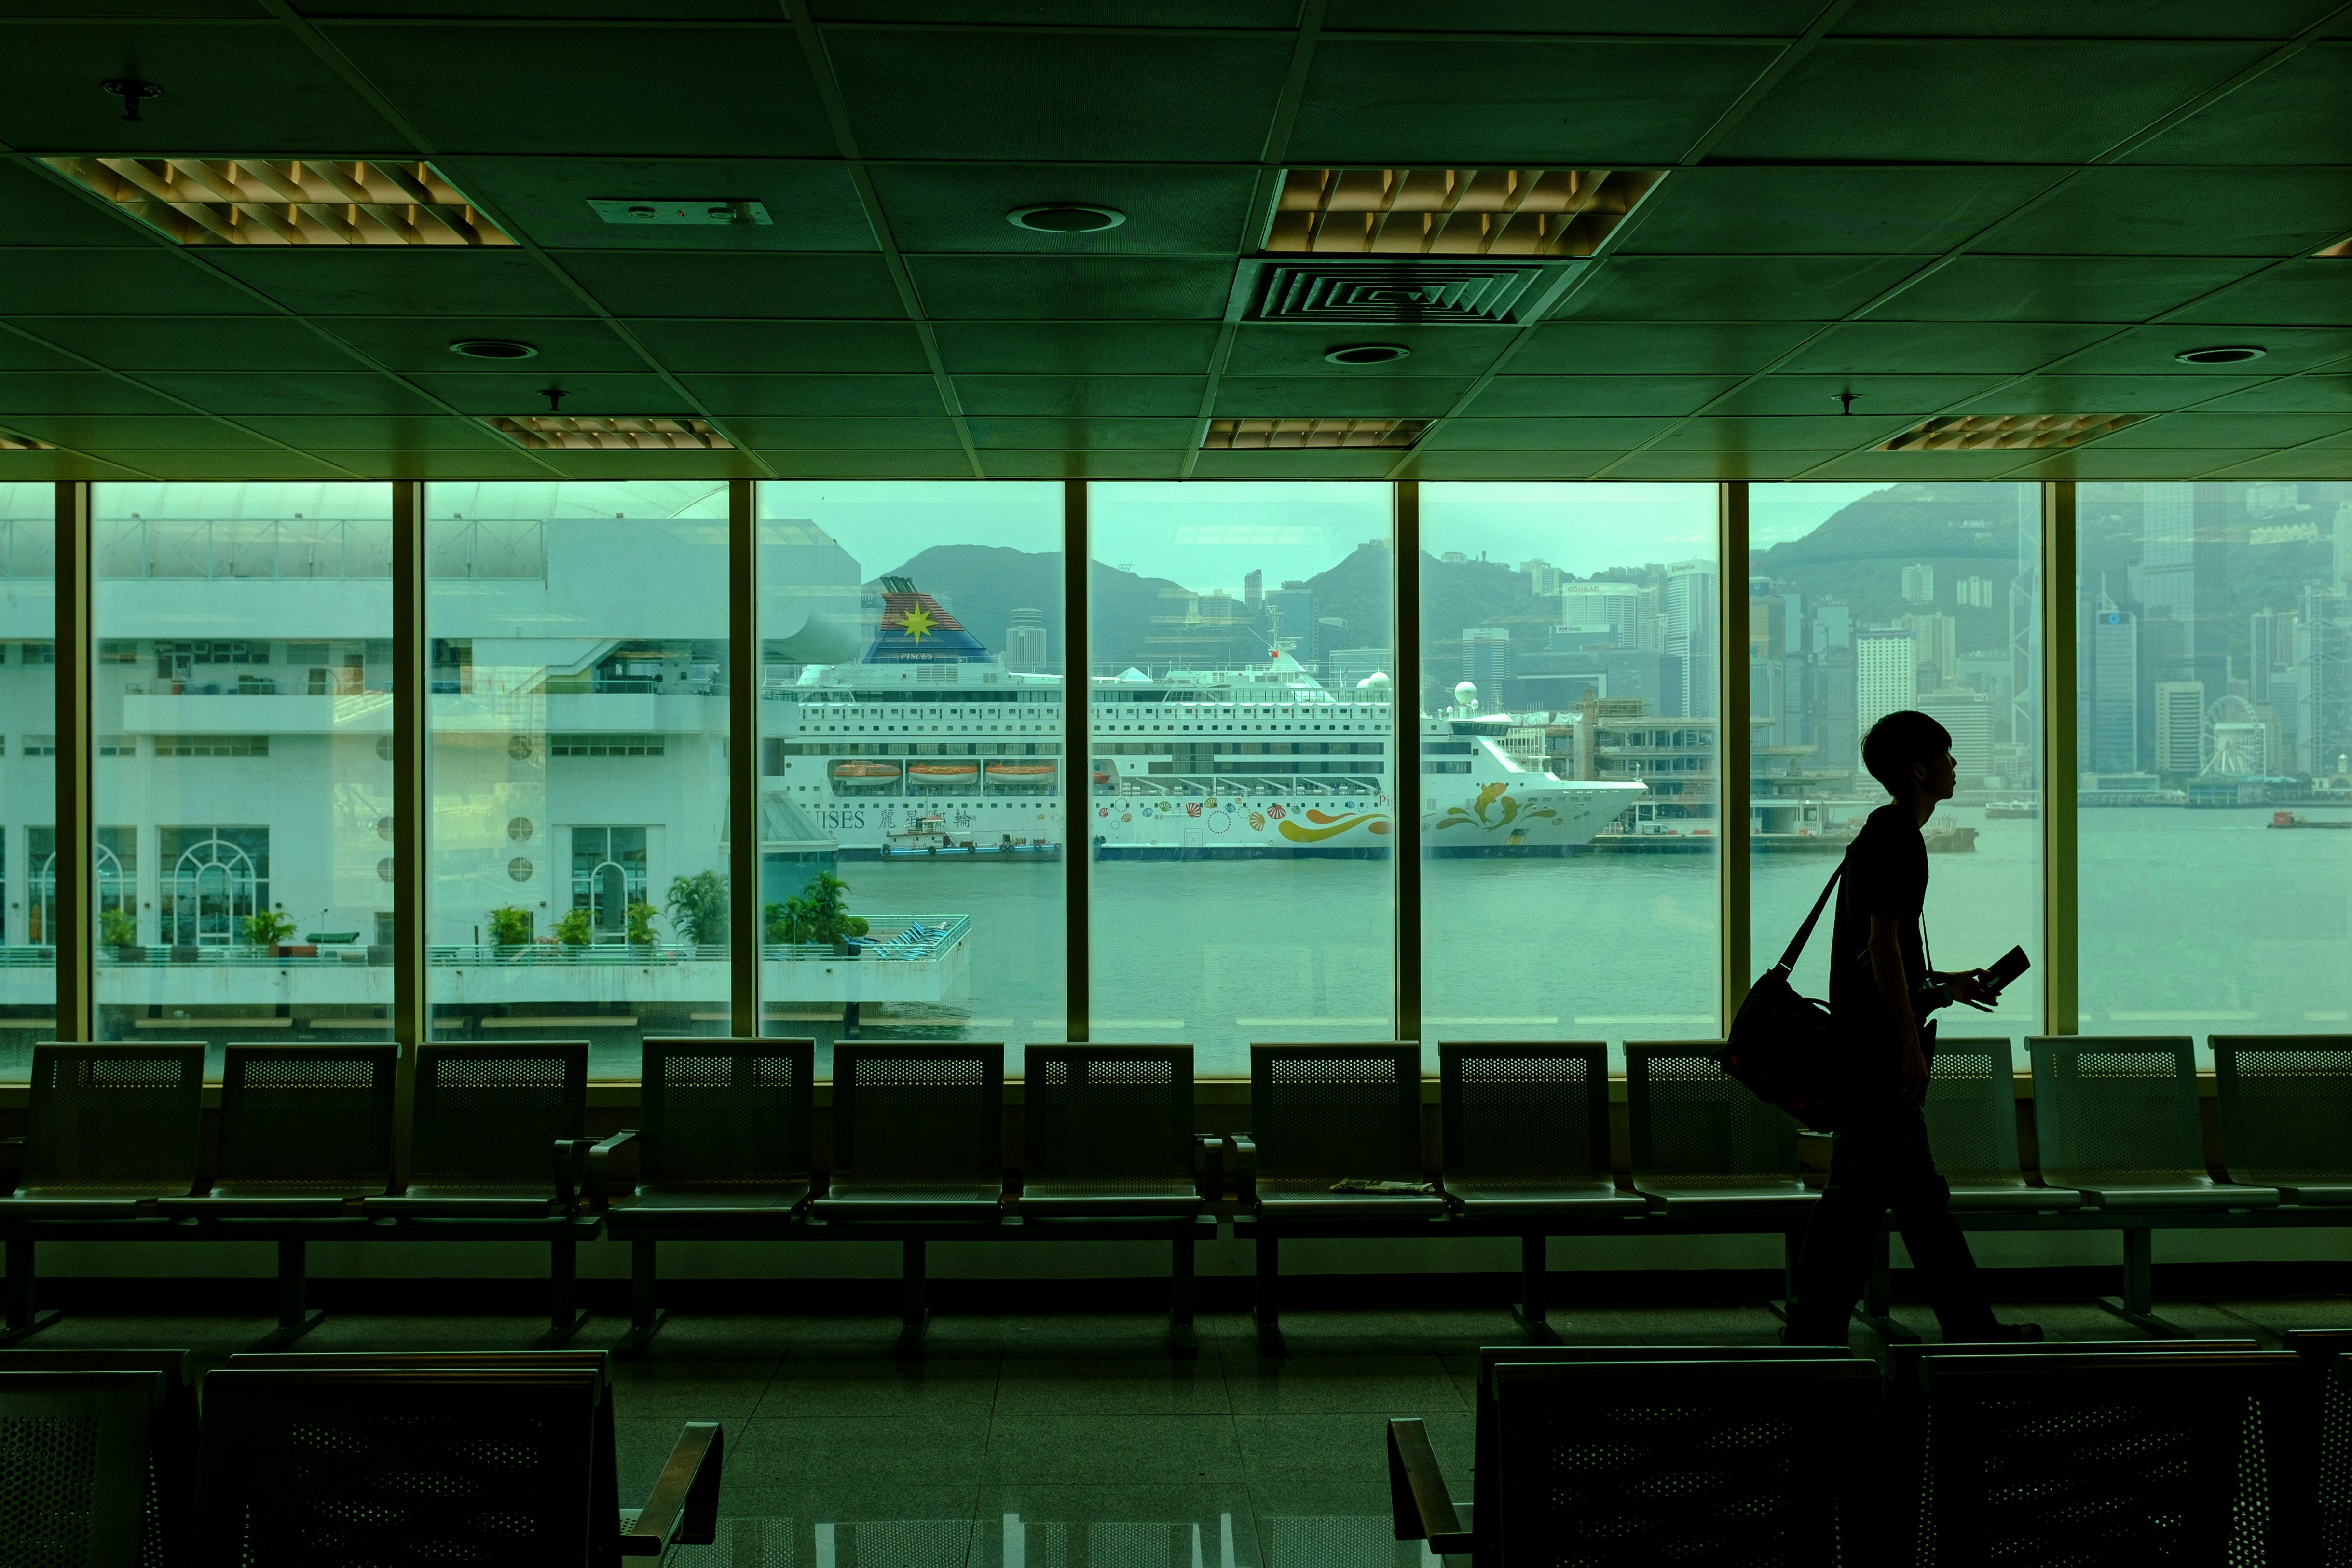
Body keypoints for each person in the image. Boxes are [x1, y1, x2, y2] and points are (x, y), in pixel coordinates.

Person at [1782, 710, 2040, 1345]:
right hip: (1878, 1054)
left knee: (1917, 1201)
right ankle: (1813, 1336)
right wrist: (1906, 1042)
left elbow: (1879, 956)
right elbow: (1880, 946)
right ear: (1920, 770)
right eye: (1946, 756)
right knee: (1855, 1202)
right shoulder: (1900, 839)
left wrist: (1944, 985)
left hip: (1867, 1042)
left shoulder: (1881, 832)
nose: (1955, 766)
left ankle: (1967, 1327)